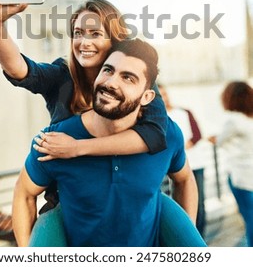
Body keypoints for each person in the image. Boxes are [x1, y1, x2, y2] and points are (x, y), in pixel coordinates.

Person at [0, 0, 204, 247]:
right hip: (71, 199)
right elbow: (18, 68)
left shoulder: (142, 89)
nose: (84, 42)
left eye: (95, 34)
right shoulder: (62, 76)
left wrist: (77, 147)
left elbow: (156, 136)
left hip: (129, 198)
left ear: (115, 40)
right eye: (78, 33)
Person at [12, 38, 204, 247]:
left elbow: (185, 179)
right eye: (108, 70)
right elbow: (24, 194)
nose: (111, 82)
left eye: (128, 78)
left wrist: (183, 235)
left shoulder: (167, 135)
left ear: (147, 97)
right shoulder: (56, 140)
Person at [158, 84, 206, 238]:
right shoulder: (154, 118)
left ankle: (198, 238)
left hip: (193, 164)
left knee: (198, 204)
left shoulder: (183, 112)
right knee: (174, 206)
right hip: (167, 167)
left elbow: (197, 134)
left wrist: (182, 146)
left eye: (165, 94)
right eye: (160, 95)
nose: (164, 98)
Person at [209, 81, 253, 247]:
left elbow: (220, 141)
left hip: (242, 177)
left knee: (250, 219)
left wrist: (213, 138)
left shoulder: (234, 121)